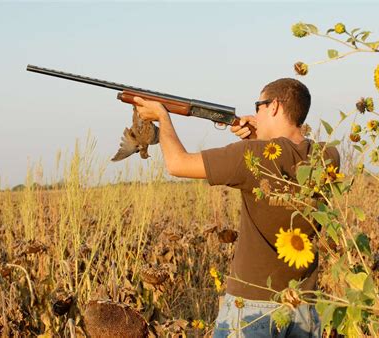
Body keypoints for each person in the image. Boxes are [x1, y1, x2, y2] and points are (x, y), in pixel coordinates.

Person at [133, 78, 340, 337]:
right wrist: (258, 137)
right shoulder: (328, 157)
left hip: (253, 306)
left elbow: (177, 163)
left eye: (259, 106)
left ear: (274, 106)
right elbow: (284, 158)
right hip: (304, 306)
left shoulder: (250, 155)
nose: (255, 114)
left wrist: (162, 117)